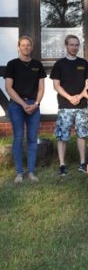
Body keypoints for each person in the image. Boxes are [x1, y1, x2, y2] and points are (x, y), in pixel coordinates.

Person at [5, 36, 46, 183]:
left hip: (34, 105)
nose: (26, 47)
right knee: (18, 137)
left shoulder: (37, 65)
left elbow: (41, 88)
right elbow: (8, 88)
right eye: (23, 45)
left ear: (32, 47)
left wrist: (36, 104)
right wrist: (23, 104)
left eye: (28, 45)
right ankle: (19, 173)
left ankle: (31, 172)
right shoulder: (12, 64)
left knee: (32, 139)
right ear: (18, 47)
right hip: (16, 105)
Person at [51, 34, 88, 176]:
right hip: (65, 106)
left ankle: (83, 163)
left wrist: (80, 96)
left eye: (76, 45)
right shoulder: (59, 64)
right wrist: (70, 98)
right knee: (62, 136)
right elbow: (56, 85)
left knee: (82, 135)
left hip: (81, 106)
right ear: (66, 45)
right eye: (71, 45)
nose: (74, 47)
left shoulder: (84, 63)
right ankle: (62, 165)